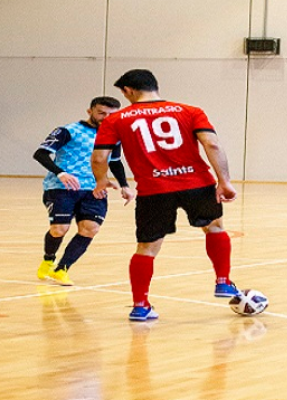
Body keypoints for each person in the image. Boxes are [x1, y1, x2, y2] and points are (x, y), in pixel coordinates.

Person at [92, 69, 240, 321]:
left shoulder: (116, 119)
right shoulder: (190, 111)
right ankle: (223, 282)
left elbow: (99, 158)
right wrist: (224, 181)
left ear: (128, 90)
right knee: (214, 227)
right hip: (196, 183)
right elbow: (212, 144)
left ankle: (140, 306)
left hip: (154, 190)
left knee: (147, 247)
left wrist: (101, 180)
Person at [34, 96, 135, 286]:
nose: (106, 118)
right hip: (62, 187)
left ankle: (62, 269)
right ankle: (48, 259)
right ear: (90, 111)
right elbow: (40, 153)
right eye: (101, 113)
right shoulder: (68, 131)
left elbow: (114, 162)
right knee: (59, 229)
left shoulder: (114, 136)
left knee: (90, 228)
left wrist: (124, 185)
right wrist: (61, 173)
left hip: (94, 188)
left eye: (111, 115)